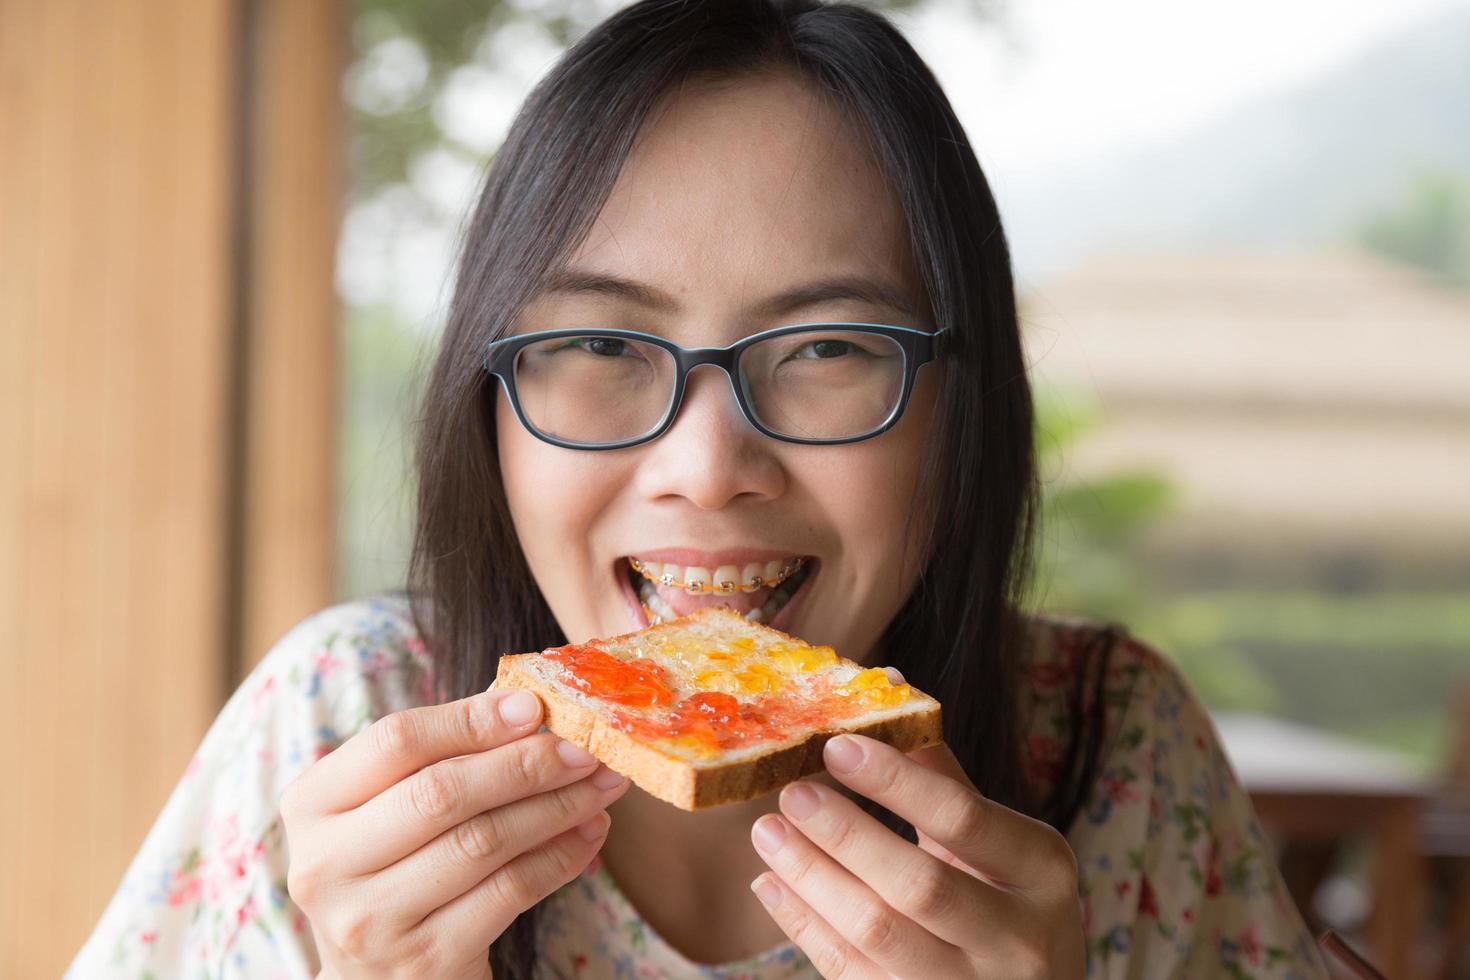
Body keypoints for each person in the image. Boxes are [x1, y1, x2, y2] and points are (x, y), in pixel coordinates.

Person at [68, 1, 1331, 977]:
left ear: (964, 403)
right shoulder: (343, 718)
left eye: (832, 348)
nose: (709, 468)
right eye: (604, 346)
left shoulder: (1116, 749)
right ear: (486, 401)